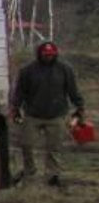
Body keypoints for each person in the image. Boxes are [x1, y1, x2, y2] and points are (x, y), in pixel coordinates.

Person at [11, 40, 85, 186]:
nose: (48, 57)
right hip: (33, 114)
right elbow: (19, 92)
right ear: (39, 54)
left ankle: (53, 175)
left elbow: (73, 90)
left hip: (56, 115)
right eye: (45, 54)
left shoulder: (65, 69)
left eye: (51, 54)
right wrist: (16, 109)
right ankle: (29, 171)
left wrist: (79, 108)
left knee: (54, 147)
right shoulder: (27, 71)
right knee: (27, 144)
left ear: (55, 54)